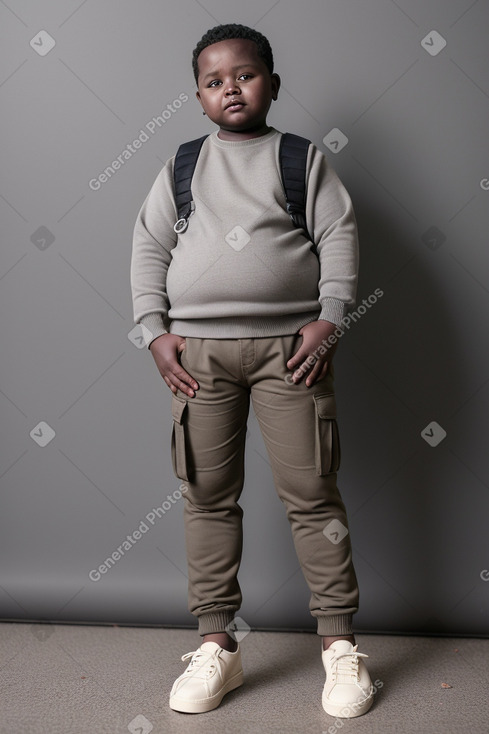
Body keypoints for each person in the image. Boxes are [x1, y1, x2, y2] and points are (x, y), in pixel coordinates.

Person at [130, 23, 375, 718]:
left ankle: (338, 649)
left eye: (243, 74)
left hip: (289, 355)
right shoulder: (182, 165)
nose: (229, 88)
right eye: (213, 81)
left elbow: (337, 236)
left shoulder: (300, 159)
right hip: (198, 358)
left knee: (311, 493)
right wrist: (154, 332)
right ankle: (217, 649)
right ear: (199, 97)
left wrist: (330, 318)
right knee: (206, 493)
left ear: (271, 81)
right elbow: (149, 247)